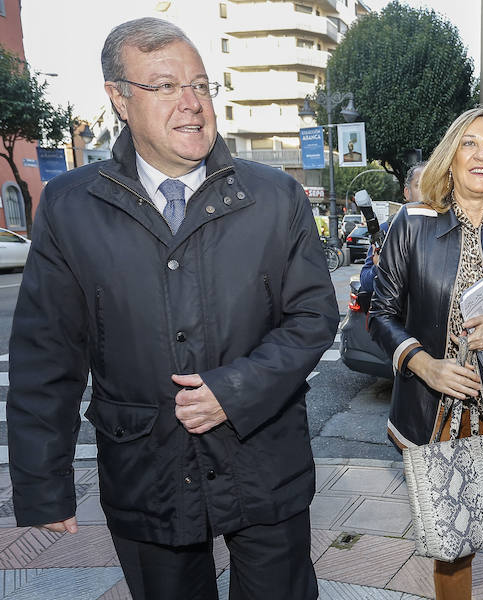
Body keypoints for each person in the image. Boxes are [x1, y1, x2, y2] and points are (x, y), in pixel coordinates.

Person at [7, 17, 338, 600]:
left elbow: (313, 318)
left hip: (265, 458)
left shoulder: (274, 195)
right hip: (147, 469)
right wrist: (42, 481)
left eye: (201, 85)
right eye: (164, 87)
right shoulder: (70, 206)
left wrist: (233, 392)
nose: (191, 104)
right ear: (119, 98)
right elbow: (47, 352)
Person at [368, 106, 483, 600]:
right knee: (447, 541)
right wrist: (423, 363)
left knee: (474, 537)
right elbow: (380, 314)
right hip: (431, 412)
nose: (482, 154)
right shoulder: (411, 224)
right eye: (470, 143)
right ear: (451, 157)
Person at [358, 161, 426, 292]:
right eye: (420, 185)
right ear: (407, 192)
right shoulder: (386, 230)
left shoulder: (450, 228)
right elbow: (366, 283)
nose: (427, 191)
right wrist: (378, 267)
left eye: (432, 184)